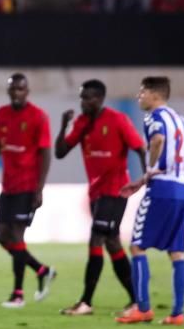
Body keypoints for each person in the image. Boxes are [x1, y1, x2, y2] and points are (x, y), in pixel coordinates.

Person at [55, 80, 146, 316]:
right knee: (112, 243)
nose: (84, 102)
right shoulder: (82, 123)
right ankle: (137, 300)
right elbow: (60, 152)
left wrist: (145, 177)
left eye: (88, 98)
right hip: (96, 193)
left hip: (116, 190)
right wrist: (64, 126)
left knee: (96, 239)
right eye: (82, 97)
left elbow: (139, 147)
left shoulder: (117, 120)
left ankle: (85, 302)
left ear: (100, 98)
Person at [0, 73, 56, 308]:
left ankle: (18, 294)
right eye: (13, 89)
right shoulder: (2, 114)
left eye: (20, 89)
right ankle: (42, 270)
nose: (16, 93)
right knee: (3, 237)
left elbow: (45, 154)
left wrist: (39, 190)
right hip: (8, 186)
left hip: (28, 187)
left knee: (17, 237)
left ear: (27, 91)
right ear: (9, 92)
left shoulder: (38, 117)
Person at [117, 77, 184, 326]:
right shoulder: (181, 120)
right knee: (177, 252)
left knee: (137, 245)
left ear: (155, 95)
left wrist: (149, 168)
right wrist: (142, 179)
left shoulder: (154, 117)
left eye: (142, 92)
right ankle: (177, 313)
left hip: (162, 190)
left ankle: (143, 308)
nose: (139, 96)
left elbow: (158, 140)